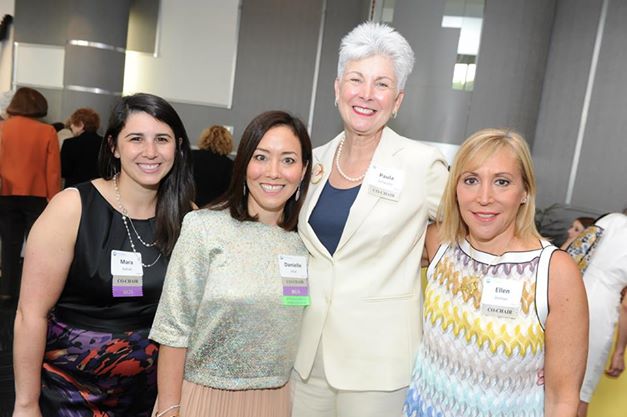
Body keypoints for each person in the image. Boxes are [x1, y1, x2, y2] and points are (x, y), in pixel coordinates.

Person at [291, 22, 449, 417]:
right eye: (356, 79)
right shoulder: (314, 161)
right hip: (307, 355)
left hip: (379, 360)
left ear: (397, 100)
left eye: (381, 84)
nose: (366, 94)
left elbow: (461, 237)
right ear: (337, 88)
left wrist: (421, 251)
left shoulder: (422, 164)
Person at [12, 93, 195, 416]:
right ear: (114, 146)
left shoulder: (188, 219)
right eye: (136, 138)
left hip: (150, 397)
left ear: (178, 148)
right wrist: (26, 404)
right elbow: (30, 314)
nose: (150, 152)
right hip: (73, 393)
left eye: (162, 139)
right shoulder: (72, 207)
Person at [403, 128, 588, 417]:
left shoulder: (554, 272)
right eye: (471, 180)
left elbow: (562, 397)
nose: (484, 197)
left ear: (525, 191)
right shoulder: (439, 242)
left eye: (502, 182)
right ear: (455, 188)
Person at [149, 110, 312, 417]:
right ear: (244, 162)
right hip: (203, 400)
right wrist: (169, 409)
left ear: (303, 170)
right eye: (261, 157)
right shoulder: (204, 228)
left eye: (288, 160)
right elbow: (173, 330)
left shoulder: (303, 244)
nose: (273, 172)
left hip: (276, 403)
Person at [0, 87, 60, 302]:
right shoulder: (47, 132)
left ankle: (6, 291)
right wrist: (54, 201)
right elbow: (52, 171)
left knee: (9, 244)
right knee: (37, 246)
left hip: (6, 194)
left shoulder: (3, 129)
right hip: (36, 195)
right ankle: (32, 292)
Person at [567, 212, 627, 417]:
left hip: (572, 292)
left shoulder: (611, 220)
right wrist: (619, 352)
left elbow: (573, 250)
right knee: (581, 392)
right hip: (602, 310)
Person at [191, 124, 234, 206]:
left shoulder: (191, 157)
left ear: (204, 139)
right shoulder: (230, 165)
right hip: (214, 210)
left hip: (189, 205)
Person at [61, 108, 104, 187]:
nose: (71, 126)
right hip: (97, 189)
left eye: (73, 123)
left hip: (74, 189)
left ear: (81, 124)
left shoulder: (69, 143)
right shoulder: (104, 143)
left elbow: (63, 171)